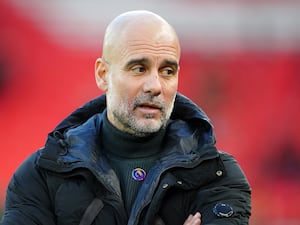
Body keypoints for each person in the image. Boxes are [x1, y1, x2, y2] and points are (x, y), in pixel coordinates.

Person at [1, 10, 251, 225]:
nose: (155, 85)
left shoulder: (218, 177)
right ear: (103, 74)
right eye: (139, 68)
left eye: (167, 71)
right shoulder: (40, 176)